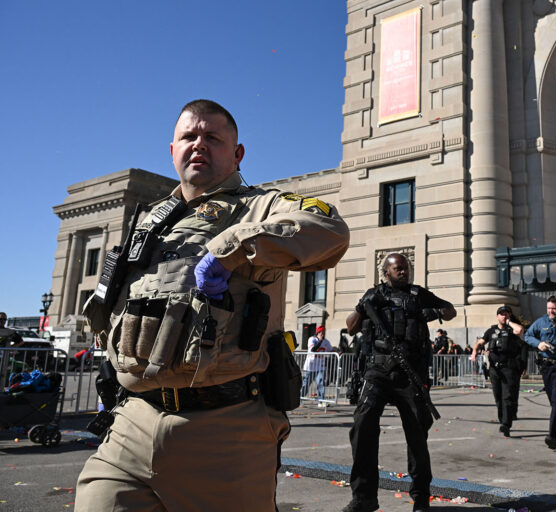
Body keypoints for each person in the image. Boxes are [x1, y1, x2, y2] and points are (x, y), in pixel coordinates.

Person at [75, 99, 350, 512]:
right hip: (130, 424)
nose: (198, 145)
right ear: (172, 150)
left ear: (237, 153)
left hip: (225, 432)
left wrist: (233, 248)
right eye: (189, 136)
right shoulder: (149, 221)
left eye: (213, 138)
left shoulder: (264, 205)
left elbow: (330, 230)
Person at [344, 253, 456, 512]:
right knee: (362, 426)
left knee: (417, 436)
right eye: (398, 268)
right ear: (386, 272)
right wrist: (362, 307)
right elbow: (350, 327)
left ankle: (420, 497)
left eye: (406, 268)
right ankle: (364, 498)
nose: (403, 272)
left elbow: (450, 310)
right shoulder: (374, 295)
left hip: (410, 374)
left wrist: (435, 311)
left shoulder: (418, 294)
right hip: (378, 373)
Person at [524, 296, 556, 449]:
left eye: (553, 308)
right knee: (554, 402)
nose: (551, 311)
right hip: (547, 367)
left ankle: (552, 437)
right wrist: (538, 343)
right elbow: (528, 335)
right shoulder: (541, 322)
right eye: (548, 308)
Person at [472, 306, 527, 436]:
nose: (504, 316)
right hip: (494, 369)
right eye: (501, 314)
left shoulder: (511, 329)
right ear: (497, 316)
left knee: (507, 396)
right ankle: (503, 420)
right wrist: (474, 351)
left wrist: (509, 322)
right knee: (498, 397)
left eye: (506, 314)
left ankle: (506, 424)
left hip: (508, 368)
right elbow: (480, 342)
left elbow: (520, 330)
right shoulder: (491, 331)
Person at [302, 326, 333, 407]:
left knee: (321, 383)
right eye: (321, 332)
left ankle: (321, 402)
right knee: (306, 384)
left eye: (324, 332)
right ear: (317, 333)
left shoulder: (326, 341)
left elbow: (331, 350)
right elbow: (313, 350)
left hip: (320, 366)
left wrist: (338, 351)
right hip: (311, 366)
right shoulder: (312, 339)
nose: (323, 334)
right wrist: (319, 341)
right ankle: (299, 399)